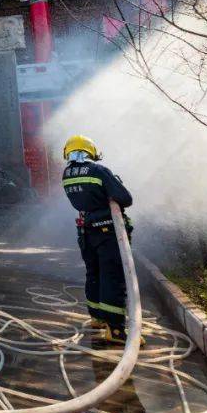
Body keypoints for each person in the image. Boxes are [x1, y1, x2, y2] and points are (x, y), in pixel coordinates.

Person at [61, 135, 137, 345]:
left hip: (86, 231)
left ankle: (97, 317)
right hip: (107, 230)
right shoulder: (98, 171)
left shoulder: (66, 173)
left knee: (93, 272)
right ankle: (115, 329)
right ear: (90, 151)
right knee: (112, 275)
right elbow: (125, 198)